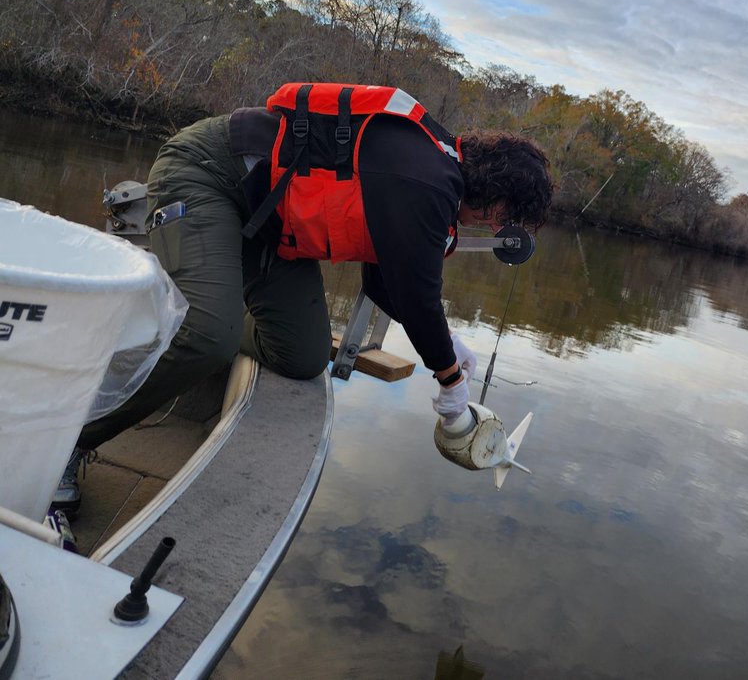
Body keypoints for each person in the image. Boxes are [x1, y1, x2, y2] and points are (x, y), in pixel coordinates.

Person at [53, 82, 554, 516]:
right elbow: (419, 298)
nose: (495, 227)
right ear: (494, 189)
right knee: (210, 337)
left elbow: (386, 285)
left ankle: (212, 312)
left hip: (271, 222)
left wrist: (448, 342)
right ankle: (70, 440)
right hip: (209, 174)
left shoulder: (432, 176)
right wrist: (449, 382)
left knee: (303, 356)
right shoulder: (427, 180)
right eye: (503, 214)